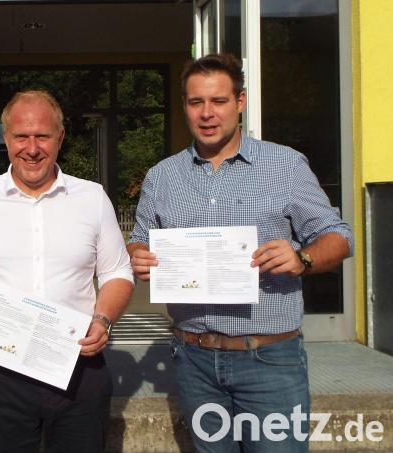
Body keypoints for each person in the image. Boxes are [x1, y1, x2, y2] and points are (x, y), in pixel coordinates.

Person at [127, 53, 352, 452]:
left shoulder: (285, 165)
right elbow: (140, 239)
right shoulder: (162, 176)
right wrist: (139, 254)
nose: (207, 113)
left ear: (241, 102)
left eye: (219, 101)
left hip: (269, 359)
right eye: (196, 102)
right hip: (194, 359)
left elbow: (338, 236)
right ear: (185, 106)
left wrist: (304, 258)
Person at [0, 90, 134, 452]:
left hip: (78, 367)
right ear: (6, 138)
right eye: (21, 136)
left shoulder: (92, 198)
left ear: (60, 138)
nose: (32, 147)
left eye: (42, 136)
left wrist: (103, 319)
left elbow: (118, 273)